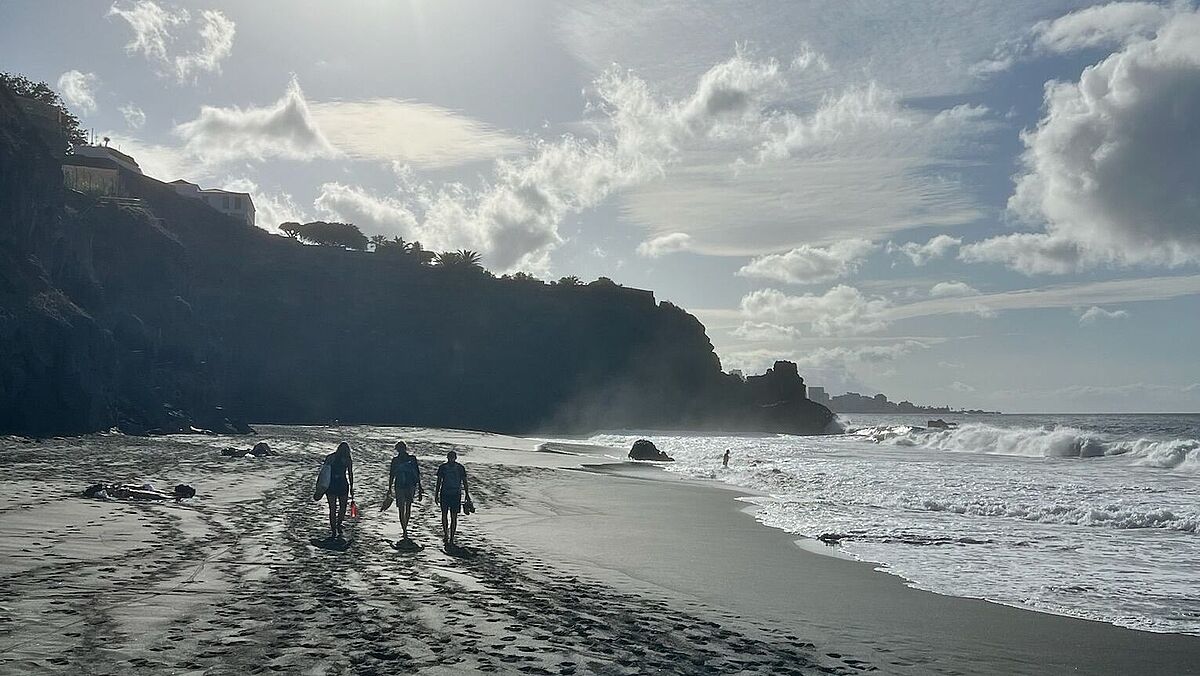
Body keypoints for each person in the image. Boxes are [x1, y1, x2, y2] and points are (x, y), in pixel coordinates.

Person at [388, 441, 424, 541]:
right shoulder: (411, 459)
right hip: (407, 486)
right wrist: (420, 487)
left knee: (403, 508)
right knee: (406, 507)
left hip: (403, 485)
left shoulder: (398, 460)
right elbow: (417, 474)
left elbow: (392, 475)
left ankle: (404, 527)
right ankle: (405, 528)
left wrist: (389, 488)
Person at [435, 450, 470, 548]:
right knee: (446, 515)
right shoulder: (450, 468)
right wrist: (436, 494)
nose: (451, 459)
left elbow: (464, 482)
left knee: (452, 516)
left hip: (453, 494)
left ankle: (451, 537)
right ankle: (447, 535)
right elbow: (439, 482)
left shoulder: (456, 468)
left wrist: (467, 494)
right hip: (448, 494)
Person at [324, 442, 355, 538]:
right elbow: (350, 474)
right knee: (343, 507)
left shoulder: (330, 457)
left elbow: (324, 471)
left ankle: (333, 527)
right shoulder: (347, 459)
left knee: (332, 508)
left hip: (331, 484)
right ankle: (339, 524)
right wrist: (351, 486)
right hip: (342, 484)